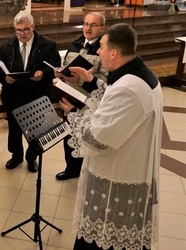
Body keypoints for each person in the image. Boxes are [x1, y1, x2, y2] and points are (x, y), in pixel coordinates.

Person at [59, 23, 162, 250]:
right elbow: (113, 99)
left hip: (117, 175)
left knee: (106, 237)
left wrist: (73, 115)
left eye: (102, 47)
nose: (98, 51)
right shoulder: (141, 74)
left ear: (114, 53)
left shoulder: (129, 87)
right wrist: (90, 78)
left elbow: (97, 138)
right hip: (133, 167)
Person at [0, 11, 61, 172]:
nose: (22, 33)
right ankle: (16, 156)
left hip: (36, 94)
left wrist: (43, 74)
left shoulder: (48, 45)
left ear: (33, 27)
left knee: (36, 129)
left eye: (26, 29)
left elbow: (55, 66)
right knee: (14, 129)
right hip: (13, 94)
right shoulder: (7, 46)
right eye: (18, 30)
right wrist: (4, 78)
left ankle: (32, 157)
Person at [54, 12, 108, 181]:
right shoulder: (76, 44)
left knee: (87, 138)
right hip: (70, 98)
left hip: (89, 103)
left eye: (93, 25)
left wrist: (82, 80)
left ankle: (88, 172)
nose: (88, 28)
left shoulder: (103, 50)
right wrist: (61, 74)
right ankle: (71, 169)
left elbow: (106, 80)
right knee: (70, 135)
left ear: (102, 28)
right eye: (86, 24)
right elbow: (66, 67)